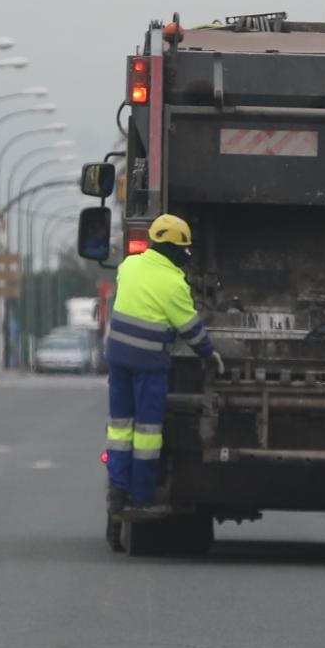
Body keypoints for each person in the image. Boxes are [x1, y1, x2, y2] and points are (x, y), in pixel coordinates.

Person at [104, 213, 223, 520]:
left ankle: (117, 492)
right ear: (172, 248)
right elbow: (190, 329)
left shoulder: (128, 266)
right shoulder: (173, 284)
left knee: (119, 428)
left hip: (118, 360)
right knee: (147, 433)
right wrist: (210, 355)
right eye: (184, 248)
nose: (186, 254)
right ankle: (141, 497)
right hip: (148, 366)